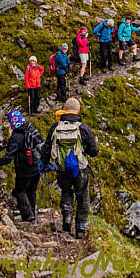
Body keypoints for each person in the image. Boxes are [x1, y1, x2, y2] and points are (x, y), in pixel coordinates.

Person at [43, 98, 99, 239]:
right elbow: (94, 151)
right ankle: (80, 229)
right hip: (80, 169)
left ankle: (67, 218)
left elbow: (46, 149)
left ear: (64, 110)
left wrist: (43, 164)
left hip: (62, 169)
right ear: (78, 110)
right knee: (82, 197)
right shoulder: (83, 128)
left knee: (66, 192)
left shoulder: (55, 127)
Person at [0, 111, 44, 222]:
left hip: (24, 170)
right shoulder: (32, 129)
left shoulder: (16, 136)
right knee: (31, 191)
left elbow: (8, 158)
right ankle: (32, 212)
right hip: (37, 167)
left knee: (20, 191)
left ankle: (28, 216)